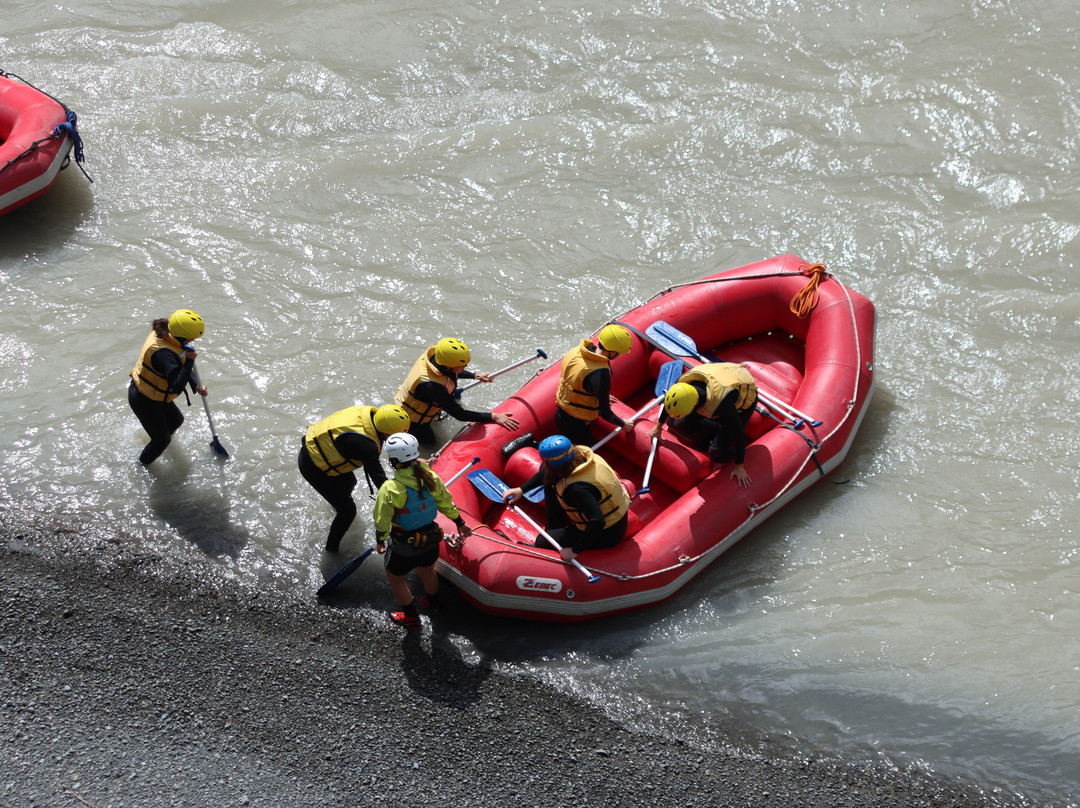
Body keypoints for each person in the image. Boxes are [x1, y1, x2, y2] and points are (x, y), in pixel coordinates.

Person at [373, 433, 472, 630]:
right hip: (431, 540)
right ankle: (434, 604)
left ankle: (411, 619)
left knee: (396, 579)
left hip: (403, 547)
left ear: (394, 461)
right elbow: (446, 502)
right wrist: (460, 522)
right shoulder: (431, 477)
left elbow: (381, 519)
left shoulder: (391, 488)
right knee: (427, 573)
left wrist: (380, 540)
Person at [298, 403, 411, 552]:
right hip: (313, 465)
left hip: (318, 446)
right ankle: (331, 550)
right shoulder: (366, 446)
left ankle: (335, 504)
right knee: (348, 511)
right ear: (386, 432)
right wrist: (404, 502)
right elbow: (380, 481)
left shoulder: (371, 417)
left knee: (350, 482)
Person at [505, 435, 630, 563]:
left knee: (542, 541)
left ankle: (551, 536)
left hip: (607, 533)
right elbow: (548, 471)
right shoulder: (582, 455)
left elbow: (598, 521)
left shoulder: (576, 489)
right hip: (601, 509)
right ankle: (554, 525)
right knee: (548, 480)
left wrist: (575, 550)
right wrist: (521, 489)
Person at [647, 362, 758, 488]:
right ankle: (717, 433)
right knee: (676, 423)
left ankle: (727, 447)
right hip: (717, 381)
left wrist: (739, 465)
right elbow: (672, 402)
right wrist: (658, 426)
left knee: (717, 452)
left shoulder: (722, 403)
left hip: (741, 397)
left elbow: (739, 432)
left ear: (696, 404)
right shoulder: (683, 386)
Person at [395, 337, 519, 444]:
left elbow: (449, 373)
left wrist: (474, 375)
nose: (466, 367)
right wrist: (493, 416)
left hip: (427, 399)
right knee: (431, 444)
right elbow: (460, 414)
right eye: (463, 365)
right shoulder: (431, 386)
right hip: (414, 422)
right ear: (448, 365)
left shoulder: (438, 357)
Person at [128, 309, 209, 466]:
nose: (192, 341)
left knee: (176, 420)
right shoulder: (163, 353)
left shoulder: (168, 334)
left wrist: (196, 384)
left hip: (156, 396)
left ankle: (156, 439)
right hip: (143, 398)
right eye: (191, 338)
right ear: (183, 336)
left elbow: (180, 365)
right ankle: (141, 465)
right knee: (162, 440)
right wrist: (191, 360)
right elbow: (176, 386)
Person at [554, 324, 636, 447]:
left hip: (561, 413)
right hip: (577, 424)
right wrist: (623, 424)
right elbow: (605, 413)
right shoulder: (600, 373)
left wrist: (599, 393)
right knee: (582, 453)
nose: (620, 355)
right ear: (612, 352)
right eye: (620, 353)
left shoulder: (577, 352)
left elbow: (577, 382)